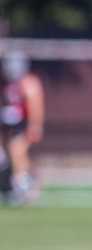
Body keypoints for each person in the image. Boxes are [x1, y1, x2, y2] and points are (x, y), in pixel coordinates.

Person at [1, 50, 45, 205]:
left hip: (23, 124)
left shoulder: (28, 81)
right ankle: (27, 182)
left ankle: (23, 189)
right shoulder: (7, 82)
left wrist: (34, 126)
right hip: (10, 124)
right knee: (16, 156)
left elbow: (35, 106)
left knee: (17, 153)